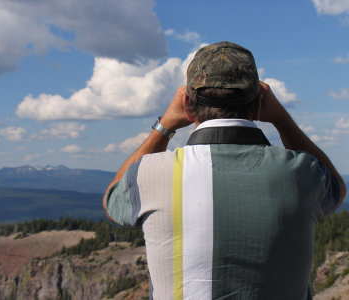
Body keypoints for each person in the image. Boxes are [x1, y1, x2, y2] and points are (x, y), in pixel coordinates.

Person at [102, 41, 346, 300]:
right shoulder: (301, 172)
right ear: (260, 104)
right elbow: (335, 191)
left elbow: (113, 201)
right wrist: (281, 118)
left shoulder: (149, 174)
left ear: (186, 104)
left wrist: (164, 126)